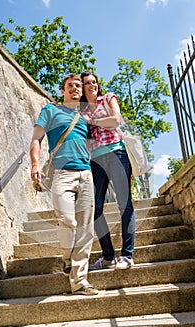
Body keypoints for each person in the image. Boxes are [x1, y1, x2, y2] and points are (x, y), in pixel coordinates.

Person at [30, 73, 98, 295]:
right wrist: (35, 164)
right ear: (62, 91)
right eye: (70, 86)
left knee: (86, 229)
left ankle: (79, 281)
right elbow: (36, 139)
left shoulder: (85, 118)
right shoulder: (50, 110)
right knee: (67, 220)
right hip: (62, 174)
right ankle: (68, 258)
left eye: (78, 86)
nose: (75, 88)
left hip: (86, 174)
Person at [80, 72, 135, 270]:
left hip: (117, 153)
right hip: (95, 160)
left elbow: (115, 120)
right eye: (87, 83)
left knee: (124, 204)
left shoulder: (107, 98)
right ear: (83, 87)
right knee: (95, 208)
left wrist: (93, 121)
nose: (92, 85)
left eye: (94, 82)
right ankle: (109, 256)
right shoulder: (82, 110)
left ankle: (127, 256)